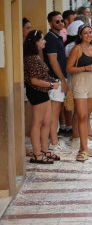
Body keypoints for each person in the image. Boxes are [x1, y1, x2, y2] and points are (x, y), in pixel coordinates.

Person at [65, 24, 92, 162]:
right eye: (85, 33)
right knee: (81, 115)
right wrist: (86, 67)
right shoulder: (77, 48)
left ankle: (85, 146)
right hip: (80, 81)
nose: (88, 35)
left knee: (87, 116)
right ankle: (82, 148)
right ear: (80, 35)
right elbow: (68, 68)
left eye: (90, 32)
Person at [23, 30, 59, 164]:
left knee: (46, 122)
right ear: (35, 42)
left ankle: (44, 149)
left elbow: (42, 76)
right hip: (36, 92)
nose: (45, 41)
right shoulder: (31, 59)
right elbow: (34, 81)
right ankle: (37, 153)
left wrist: (52, 83)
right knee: (37, 122)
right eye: (42, 39)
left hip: (43, 91)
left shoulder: (37, 56)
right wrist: (51, 84)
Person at [44, 11, 70, 154]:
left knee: (56, 112)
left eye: (61, 21)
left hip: (59, 78)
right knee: (54, 114)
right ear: (50, 23)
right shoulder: (51, 39)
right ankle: (54, 143)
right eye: (57, 21)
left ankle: (55, 140)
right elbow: (53, 62)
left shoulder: (57, 37)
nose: (60, 23)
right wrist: (62, 80)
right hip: (55, 80)